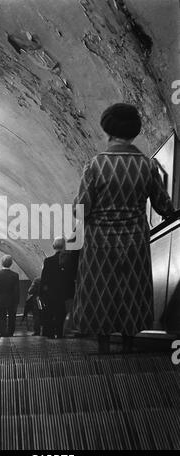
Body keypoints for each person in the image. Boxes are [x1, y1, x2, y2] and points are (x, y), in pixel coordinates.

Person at [73, 103, 175, 353]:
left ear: (107, 131)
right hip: (135, 242)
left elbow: (82, 208)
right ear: (135, 132)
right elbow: (164, 206)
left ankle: (104, 347)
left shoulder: (95, 165)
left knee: (101, 291)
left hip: (99, 243)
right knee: (131, 291)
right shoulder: (147, 166)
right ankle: (129, 346)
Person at [40, 238, 67, 338]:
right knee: (61, 313)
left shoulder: (48, 261)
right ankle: (60, 333)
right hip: (63, 293)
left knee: (50, 313)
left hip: (50, 293)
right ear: (64, 246)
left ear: (53, 246)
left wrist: (42, 293)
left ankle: (50, 333)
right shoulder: (67, 259)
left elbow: (44, 278)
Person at [0, 255, 20, 337]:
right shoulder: (15, 275)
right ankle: (10, 333)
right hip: (12, 300)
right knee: (12, 317)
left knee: (1, 317)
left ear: (1, 263)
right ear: (11, 263)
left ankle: (2, 333)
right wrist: (17, 301)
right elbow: (16, 290)